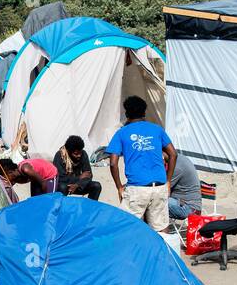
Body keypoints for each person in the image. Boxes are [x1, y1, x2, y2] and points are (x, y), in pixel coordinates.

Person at [106, 96, 177, 232]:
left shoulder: (121, 133)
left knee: (127, 228)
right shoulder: (157, 130)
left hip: (137, 188)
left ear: (126, 114)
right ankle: (164, 252)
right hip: (160, 186)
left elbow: (113, 163)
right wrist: (168, 181)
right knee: (161, 229)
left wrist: (119, 187)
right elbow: (173, 154)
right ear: (144, 112)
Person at [54, 135, 102, 200]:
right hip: (66, 185)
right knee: (62, 187)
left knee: (96, 186)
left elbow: (88, 175)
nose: (79, 155)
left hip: (79, 185)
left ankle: (90, 207)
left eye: (80, 153)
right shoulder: (59, 156)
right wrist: (79, 177)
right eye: (76, 154)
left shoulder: (83, 154)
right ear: (69, 152)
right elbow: (61, 178)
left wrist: (77, 185)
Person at [167, 152, 202, 221]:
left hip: (189, 209)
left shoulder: (177, 166)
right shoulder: (179, 159)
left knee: (155, 200)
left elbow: (162, 189)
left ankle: (148, 229)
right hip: (184, 203)